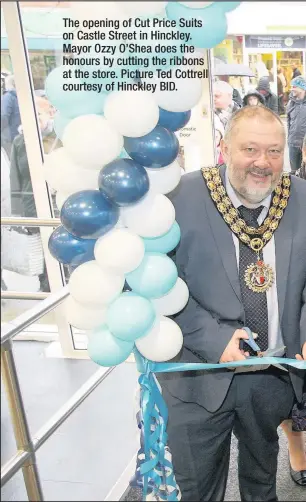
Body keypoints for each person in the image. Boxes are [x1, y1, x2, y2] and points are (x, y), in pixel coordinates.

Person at [158, 106, 306, 501]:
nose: (263, 162)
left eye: (274, 151)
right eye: (250, 149)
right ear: (224, 148)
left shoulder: (303, 198)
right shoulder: (177, 197)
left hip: (272, 375)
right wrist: (212, 337)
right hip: (195, 375)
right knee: (199, 488)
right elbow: (154, 284)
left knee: (261, 480)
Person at [9, 96, 55, 292]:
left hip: (58, 202)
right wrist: (18, 213)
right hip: (32, 202)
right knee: (40, 244)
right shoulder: (20, 141)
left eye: (39, 114)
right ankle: (46, 283)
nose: (36, 119)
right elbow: (15, 177)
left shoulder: (58, 137)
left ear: (50, 113)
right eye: (31, 115)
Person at [287, 75, 306, 174]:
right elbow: (288, 123)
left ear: (302, 88)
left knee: (304, 173)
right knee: (293, 172)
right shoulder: (290, 103)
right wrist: (289, 140)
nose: (292, 89)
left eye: (294, 87)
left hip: (305, 146)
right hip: (293, 144)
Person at [1, 75, 21, 158]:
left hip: (10, 137)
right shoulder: (20, 96)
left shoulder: (8, 97)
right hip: (19, 135)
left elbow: (4, 116)